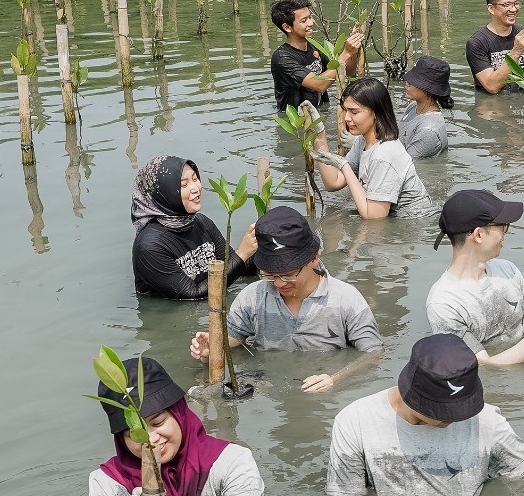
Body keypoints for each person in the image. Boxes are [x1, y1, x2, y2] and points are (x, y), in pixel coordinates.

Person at [325, 333, 524, 496]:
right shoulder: (354, 422)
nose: (455, 419)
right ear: (414, 395)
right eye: (444, 412)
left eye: (462, 409)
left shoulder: (487, 420)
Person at [88, 356, 267, 496]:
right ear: (120, 438)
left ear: (179, 412)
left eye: (158, 422)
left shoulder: (232, 461)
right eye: (133, 433)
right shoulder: (107, 484)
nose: (151, 440)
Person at [189, 207, 382, 393]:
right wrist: (213, 346)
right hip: (272, 390)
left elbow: (373, 354)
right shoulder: (251, 297)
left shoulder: (346, 300)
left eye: (288, 274)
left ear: (314, 258)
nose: (279, 283)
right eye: (270, 275)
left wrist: (336, 378)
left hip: (326, 394)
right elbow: (234, 337)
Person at [426, 190, 524, 367]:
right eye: (503, 226)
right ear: (478, 235)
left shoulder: (508, 270)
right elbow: (485, 366)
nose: (505, 233)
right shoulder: (444, 304)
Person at [131, 155, 257, 299]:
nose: (195, 188)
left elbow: (236, 268)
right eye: (184, 185)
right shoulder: (149, 247)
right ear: (164, 194)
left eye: (195, 179)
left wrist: (261, 244)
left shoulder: (202, 222)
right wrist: (242, 253)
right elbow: (192, 294)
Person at [309, 77, 432, 219]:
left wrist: (344, 166)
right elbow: (333, 182)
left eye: (354, 112)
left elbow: (374, 218)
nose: (347, 118)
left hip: (413, 222)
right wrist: (319, 136)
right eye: (345, 111)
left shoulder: (384, 153)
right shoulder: (364, 140)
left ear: (375, 112)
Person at [269, 0, 364, 112]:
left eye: (310, 17)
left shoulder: (314, 46)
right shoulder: (282, 58)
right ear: (287, 27)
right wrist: (346, 53)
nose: (311, 23)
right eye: (304, 21)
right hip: (297, 122)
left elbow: (348, 71)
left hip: (321, 111)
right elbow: (320, 84)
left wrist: (353, 51)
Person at [466, 0, 524, 94]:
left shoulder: (523, 34)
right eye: (507, 5)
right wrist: (516, 52)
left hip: (523, 104)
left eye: (516, 3)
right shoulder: (477, 43)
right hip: (493, 106)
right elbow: (491, 86)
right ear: (491, 9)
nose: (514, 9)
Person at [399, 56, 452, 159]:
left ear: (429, 89)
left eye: (414, 80)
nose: (407, 83)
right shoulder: (413, 106)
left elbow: (405, 165)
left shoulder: (429, 131)